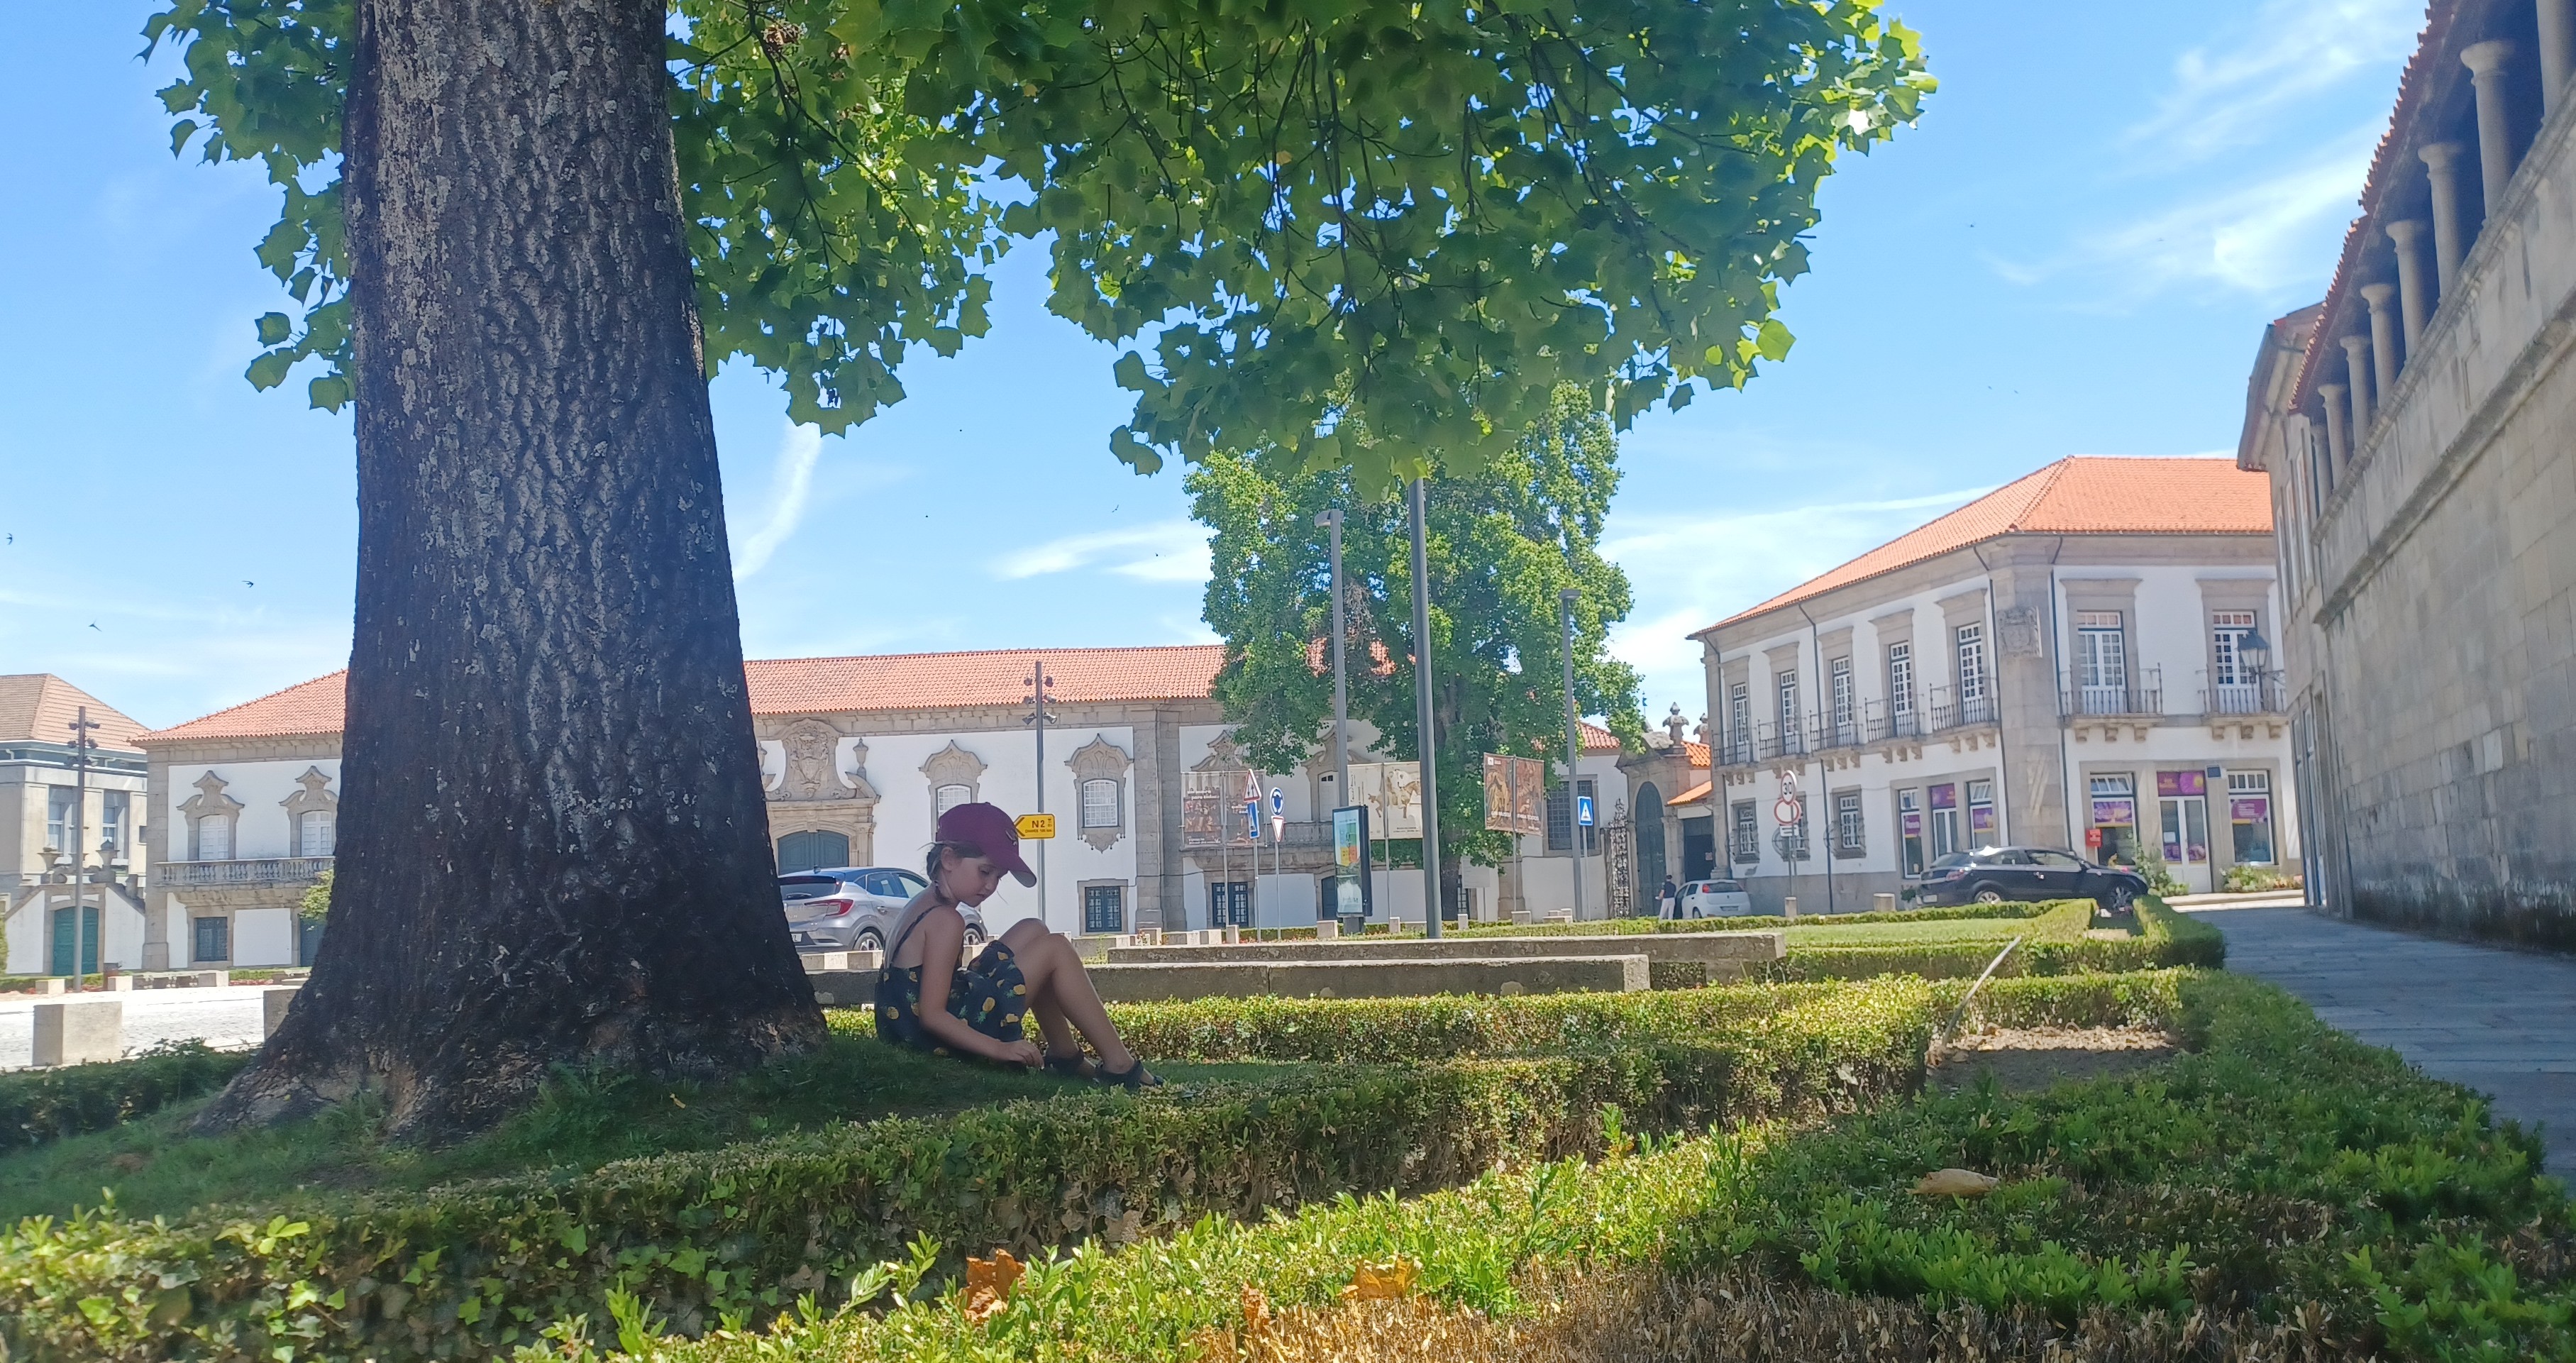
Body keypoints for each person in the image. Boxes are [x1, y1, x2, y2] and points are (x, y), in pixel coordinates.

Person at [874, 801, 1161, 1088]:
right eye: (985, 871)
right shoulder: (947, 921)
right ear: (948, 860)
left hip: (919, 1024)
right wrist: (1001, 1049)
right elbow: (932, 1016)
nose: (991, 886)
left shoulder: (924, 901)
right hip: (935, 1041)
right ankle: (1120, 1066)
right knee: (1056, 948)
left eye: (998, 876)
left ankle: (1063, 1054)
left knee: (1034, 929)